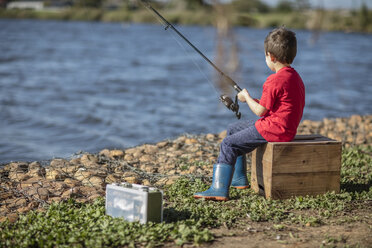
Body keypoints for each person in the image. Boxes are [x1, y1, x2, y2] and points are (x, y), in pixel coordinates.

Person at [194, 27, 305, 201]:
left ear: (271, 56)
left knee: (228, 144)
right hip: (285, 127)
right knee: (234, 129)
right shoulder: (295, 77)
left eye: (265, 56)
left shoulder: (274, 80)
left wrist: (246, 97)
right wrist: (250, 99)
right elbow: (271, 107)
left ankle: (219, 189)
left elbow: (261, 112)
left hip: (274, 129)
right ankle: (238, 179)